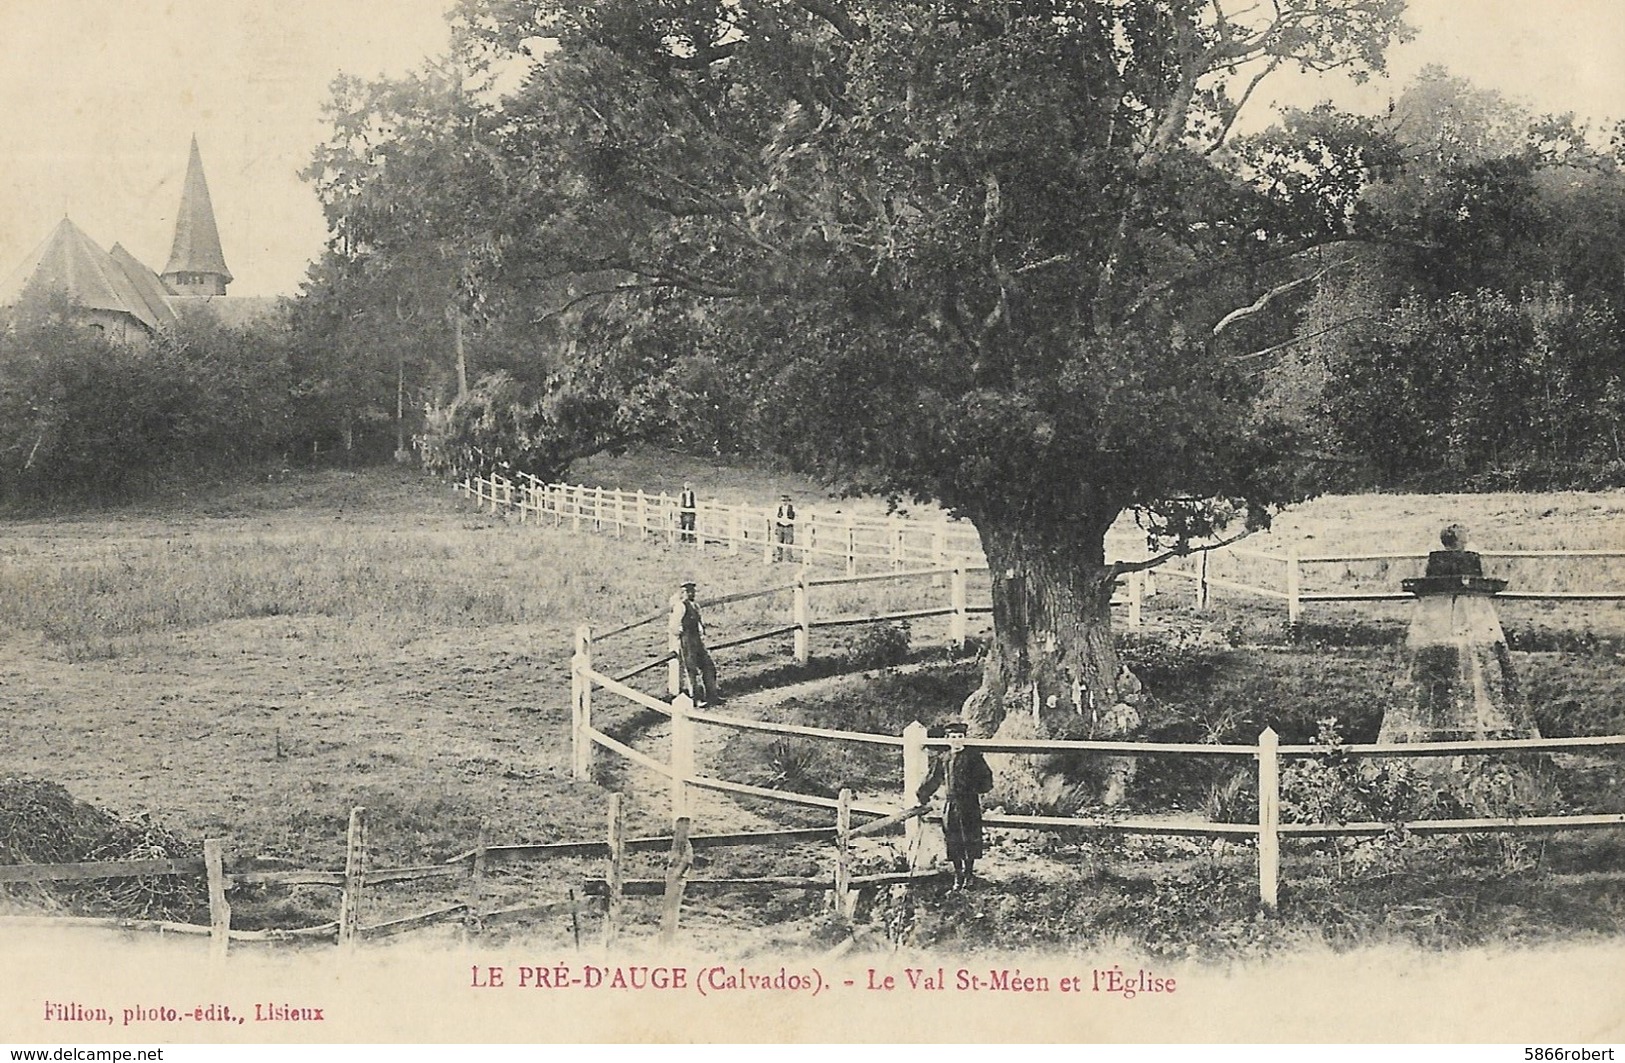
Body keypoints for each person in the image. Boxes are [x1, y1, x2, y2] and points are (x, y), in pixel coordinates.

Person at [916, 721, 995, 890]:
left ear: (964, 739)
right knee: (953, 838)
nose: (957, 741)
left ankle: (969, 874)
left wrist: (978, 788)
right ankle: (958, 875)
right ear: (947, 739)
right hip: (951, 804)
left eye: (960, 737)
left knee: (970, 838)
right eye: (953, 737)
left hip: (969, 804)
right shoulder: (943, 758)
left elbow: (986, 777)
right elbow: (933, 778)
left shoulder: (973, 757)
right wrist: (923, 795)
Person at [669, 579, 720, 704]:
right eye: (688, 592)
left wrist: (702, 633)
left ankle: (712, 695)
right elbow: (673, 626)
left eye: (692, 591)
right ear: (683, 592)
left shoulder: (695, 606)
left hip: (697, 640)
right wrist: (681, 634)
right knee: (691, 671)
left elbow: (699, 623)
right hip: (686, 641)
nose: (691, 594)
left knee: (708, 666)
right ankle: (696, 699)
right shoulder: (680, 607)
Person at [773, 493, 797, 562]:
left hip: (789, 526)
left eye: (786, 500)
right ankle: (779, 556)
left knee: (789, 542)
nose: (784, 502)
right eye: (783, 501)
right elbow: (776, 516)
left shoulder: (792, 508)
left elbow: (797, 516)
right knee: (779, 542)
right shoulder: (779, 508)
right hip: (780, 526)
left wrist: (793, 521)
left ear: (788, 501)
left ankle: (789, 557)